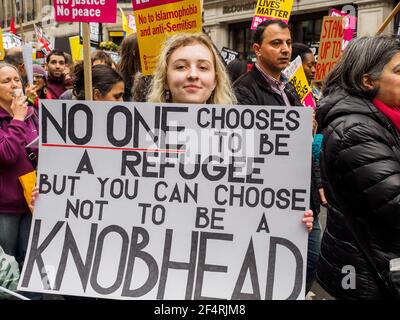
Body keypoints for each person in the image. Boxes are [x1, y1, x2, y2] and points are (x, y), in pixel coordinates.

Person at [147, 32, 312, 230]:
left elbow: (260, 203)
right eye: (181, 67)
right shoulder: (138, 134)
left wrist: (290, 221)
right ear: (165, 78)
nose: (192, 74)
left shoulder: (245, 135)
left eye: (203, 67)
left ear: (215, 79)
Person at [233, 20, 319, 294]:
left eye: (288, 43)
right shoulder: (243, 91)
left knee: (310, 264)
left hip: (302, 199)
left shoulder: (290, 87)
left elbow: (301, 146)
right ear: (257, 49)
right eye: (276, 43)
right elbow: (250, 148)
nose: (285, 49)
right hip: (272, 201)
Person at [316, 35, 400, 300]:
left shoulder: (384, 119)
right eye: (398, 71)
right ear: (368, 81)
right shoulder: (356, 130)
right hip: (366, 273)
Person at [0, 63, 38, 288]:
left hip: (31, 202)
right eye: (6, 81)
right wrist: (17, 119)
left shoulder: (31, 112)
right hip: (6, 207)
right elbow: (6, 154)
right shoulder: (21, 115)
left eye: (16, 79)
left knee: (29, 263)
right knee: (6, 267)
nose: (14, 85)